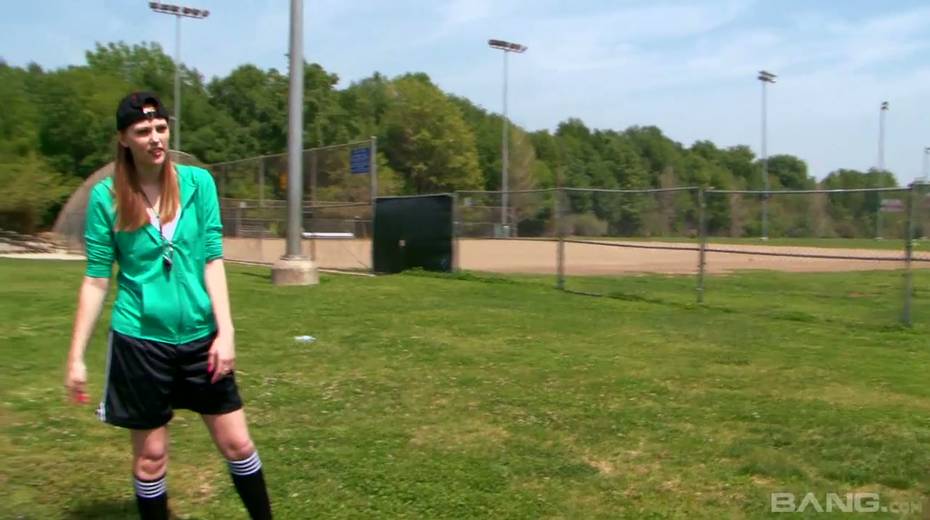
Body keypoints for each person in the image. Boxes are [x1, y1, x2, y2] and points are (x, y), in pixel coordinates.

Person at [64, 91, 272, 520]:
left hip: (201, 337)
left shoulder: (199, 184)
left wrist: (226, 332)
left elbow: (212, 259)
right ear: (123, 139)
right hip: (140, 341)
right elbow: (97, 278)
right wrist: (76, 356)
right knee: (151, 458)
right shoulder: (106, 197)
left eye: (161, 128)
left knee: (238, 444)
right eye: (143, 131)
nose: (155, 138)